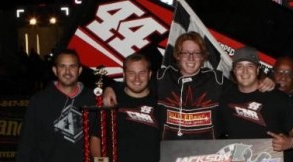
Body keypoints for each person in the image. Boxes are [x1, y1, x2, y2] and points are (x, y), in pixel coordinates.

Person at [102, 31, 274, 140]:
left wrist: (266, 79)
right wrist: (111, 88)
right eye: (186, 53)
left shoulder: (216, 80)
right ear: (177, 55)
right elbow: (136, 84)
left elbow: (245, 88)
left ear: (202, 57)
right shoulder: (163, 77)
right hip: (169, 158)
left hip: (207, 159)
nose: (191, 58)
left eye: (196, 54)